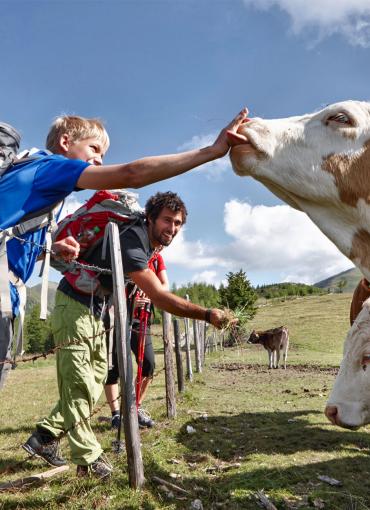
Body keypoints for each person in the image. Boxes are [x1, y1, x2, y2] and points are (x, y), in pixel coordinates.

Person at [0, 109, 249, 390]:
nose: (98, 160)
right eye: (94, 148)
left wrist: (51, 248)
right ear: (66, 142)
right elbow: (133, 174)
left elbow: (11, 239)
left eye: (103, 155)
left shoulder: (30, 172)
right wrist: (213, 151)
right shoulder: (55, 167)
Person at [23, 190, 237, 480]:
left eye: (177, 223)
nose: (171, 228)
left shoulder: (149, 244)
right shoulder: (133, 240)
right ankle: (88, 457)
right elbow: (160, 296)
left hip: (97, 308)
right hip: (72, 306)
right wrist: (207, 314)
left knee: (96, 378)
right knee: (79, 383)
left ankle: (45, 436)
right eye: (166, 220)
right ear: (150, 217)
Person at [105, 249, 168, 429]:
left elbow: (165, 285)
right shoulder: (128, 252)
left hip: (142, 320)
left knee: (148, 365)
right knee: (114, 367)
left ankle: (133, 408)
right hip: (117, 318)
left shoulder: (157, 260)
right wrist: (129, 304)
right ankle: (115, 414)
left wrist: (152, 294)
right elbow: (110, 287)